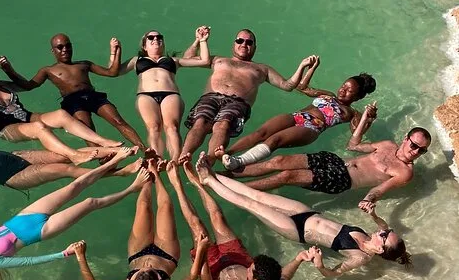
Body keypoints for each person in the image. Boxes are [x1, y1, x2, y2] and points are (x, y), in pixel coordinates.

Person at [0, 147, 148, 280]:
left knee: (74, 186)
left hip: (24, 216)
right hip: (40, 230)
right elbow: (29, 261)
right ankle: (132, 188)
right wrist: (62, 254)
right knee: (90, 203)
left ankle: (117, 161)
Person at [196, 152, 412, 277]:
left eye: (385, 236)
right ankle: (213, 175)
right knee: (256, 195)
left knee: (249, 204)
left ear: (381, 249)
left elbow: (333, 274)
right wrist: (373, 214)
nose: (383, 232)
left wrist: (319, 263)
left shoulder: (360, 257)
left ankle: (208, 181)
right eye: (387, 232)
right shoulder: (375, 235)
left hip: (297, 231)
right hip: (307, 213)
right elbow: (384, 225)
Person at [169, 160, 311, 280]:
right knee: (218, 217)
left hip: (212, 268)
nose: (248, 268)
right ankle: (197, 183)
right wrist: (298, 259)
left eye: (250, 269)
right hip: (237, 257)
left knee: (197, 225)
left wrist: (202, 251)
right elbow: (285, 276)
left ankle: (177, 185)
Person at [73, 160, 209, 280]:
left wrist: (80, 255)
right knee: (165, 207)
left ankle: (148, 178)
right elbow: (192, 276)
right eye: (152, 271)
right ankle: (156, 173)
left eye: (142, 270)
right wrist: (200, 249)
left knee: (143, 207)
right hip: (166, 255)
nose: (148, 265)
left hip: (138, 252)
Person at [178, 28, 317, 163]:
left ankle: (209, 160)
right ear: (234, 43)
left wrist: (302, 66)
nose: (244, 44)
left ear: (254, 47)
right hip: (210, 97)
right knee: (200, 122)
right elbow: (187, 59)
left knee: (223, 125)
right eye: (240, 40)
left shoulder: (262, 69)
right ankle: (184, 155)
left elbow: (287, 85)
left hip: (237, 102)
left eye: (249, 42)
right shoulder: (218, 59)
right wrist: (198, 41)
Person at [0, 49, 122, 165]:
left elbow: (26, 86)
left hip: (26, 116)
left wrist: (9, 70)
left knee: (61, 114)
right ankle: (73, 155)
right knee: (38, 127)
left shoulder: (2, 85)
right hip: (7, 128)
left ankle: (102, 141)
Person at [0, 113, 142, 194]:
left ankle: (113, 150)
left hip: (17, 156)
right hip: (12, 177)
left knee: (64, 154)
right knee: (65, 169)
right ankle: (120, 172)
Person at [229, 123, 432, 212]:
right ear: (405, 139)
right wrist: (364, 120)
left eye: (422, 150)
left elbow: (379, 190)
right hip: (335, 161)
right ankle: (228, 174)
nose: (415, 151)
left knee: (287, 176)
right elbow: (353, 146)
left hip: (342, 179)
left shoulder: (405, 172)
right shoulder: (387, 144)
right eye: (414, 145)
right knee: (279, 160)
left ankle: (233, 189)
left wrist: (368, 200)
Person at [220, 57, 378, 171]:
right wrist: (311, 68)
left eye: (349, 90)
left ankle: (238, 162)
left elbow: (356, 136)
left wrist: (368, 118)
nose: (343, 90)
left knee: (275, 140)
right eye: (343, 86)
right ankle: (226, 154)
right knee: (261, 133)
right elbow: (302, 87)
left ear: (358, 97)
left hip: (312, 127)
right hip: (297, 116)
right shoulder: (328, 95)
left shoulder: (353, 113)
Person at [0, 35, 145, 148]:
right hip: (73, 101)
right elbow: (28, 85)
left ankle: (145, 150)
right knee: (88, 131)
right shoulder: (48, 70)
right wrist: (8, 70)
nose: (65, 49)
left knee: (118, 121)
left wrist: (116, 51)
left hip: (93, 96)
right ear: (53, 51)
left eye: (68, 46)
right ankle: (105, 161)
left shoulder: (84, 64)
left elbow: (112, 72)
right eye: (60, 47)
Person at [116, 27, 211, 162]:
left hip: (170, 94)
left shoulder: (173, 60)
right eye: (151, 38)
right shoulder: (136, 60)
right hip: (146, 95)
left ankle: (175, 161)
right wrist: (115, 52)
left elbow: (204, 61)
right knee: (153, 128)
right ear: (144, 46)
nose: (156, 39)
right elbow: (115, 71)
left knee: (172, 127)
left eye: (159, 37)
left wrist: (202, 41)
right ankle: (157, 160)